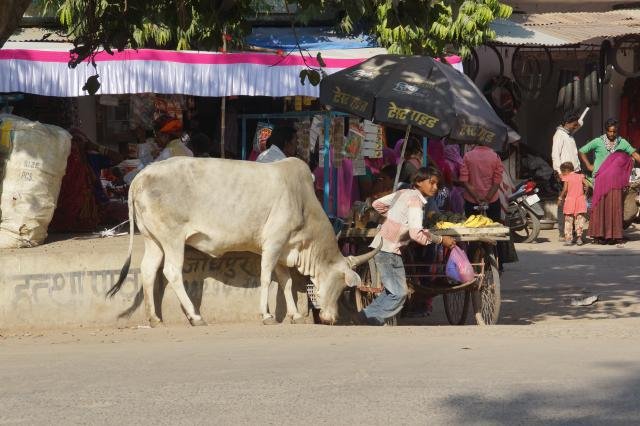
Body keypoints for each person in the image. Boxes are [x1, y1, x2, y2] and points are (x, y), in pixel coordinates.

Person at [357, 167, 456, 326]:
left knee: (394, 291)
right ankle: (369, 318)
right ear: (418, 182)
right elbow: (416, 233)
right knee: (399, 293)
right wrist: (440, 240)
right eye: (431, 183)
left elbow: (377, 203)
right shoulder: (415, 202)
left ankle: (366, 316)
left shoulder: (403, 193)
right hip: (388, 249)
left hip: (385, 247)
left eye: (437, 184)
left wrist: (392, 217)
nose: (435, 188)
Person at [588, 150, 635, 245]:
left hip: (601, 183)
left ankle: (599, 235)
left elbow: (599, 172)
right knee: (614, 208)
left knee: (601, 209)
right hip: (614, 183)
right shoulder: (626, 158)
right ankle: (613, 236)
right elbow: (627, 174)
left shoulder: (611, 159)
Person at [552, 111, 582, 241]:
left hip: (575, 172)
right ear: (567, 123)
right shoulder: (559, 135)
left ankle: (573, 232)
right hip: (565, 173)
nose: (575, 127)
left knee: (574, 203)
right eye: (573, 125)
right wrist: (559, 172)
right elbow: (555, 154)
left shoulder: (569, 135)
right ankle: (562, 232)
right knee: (564, 202)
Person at [459, 144, 504, 220]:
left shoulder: (467, 156)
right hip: (492, 199)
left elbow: (464, 180)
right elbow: (497, 182)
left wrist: (476, 197)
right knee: (495, 228)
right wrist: (487, 199)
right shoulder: (495, 156)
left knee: (472, 229)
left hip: (471, 200)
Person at [557, 162, 588, 246]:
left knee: (568, 221)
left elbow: (565, 189)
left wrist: (560, 197)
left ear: (566, 171)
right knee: (579, 220)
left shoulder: (566, 177)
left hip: (570, 200)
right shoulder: (580, 176)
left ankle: (568, 240)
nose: (562, 174)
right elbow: (587, 185)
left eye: (562, 172)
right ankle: (579, 239)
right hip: (580, 200)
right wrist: (584, 194)